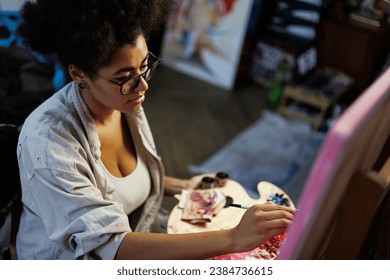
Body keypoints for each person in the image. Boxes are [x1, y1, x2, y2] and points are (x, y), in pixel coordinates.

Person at [15, 0, 295, 260]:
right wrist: (234, 238)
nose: (142, 86)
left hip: (140, 224)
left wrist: (183, 186)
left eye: (145, 65)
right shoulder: (50, 147)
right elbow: (109, 245)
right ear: (79, 74)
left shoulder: (123, 100)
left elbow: (116, 189)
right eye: (124, 78)